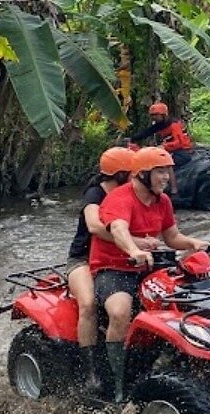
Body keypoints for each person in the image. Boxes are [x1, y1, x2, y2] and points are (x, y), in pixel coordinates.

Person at [88, 145, 210, 402]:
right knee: (120, 311)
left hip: (147, 267)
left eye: (168, 172)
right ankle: (116, 381)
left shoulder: (162, 201)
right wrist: (133, 249)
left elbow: (172, 236)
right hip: (113, 267)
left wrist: (194, 244)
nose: (166, 177)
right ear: (142, 175)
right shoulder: (120, 198)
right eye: (160, 172)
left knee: (186, 299)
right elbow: (119, 229)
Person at [65, 146, 162, 395]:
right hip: (83, 260)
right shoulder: (95, 194)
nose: (134, 177)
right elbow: (96, 227)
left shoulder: (131, 194)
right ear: (119, 173)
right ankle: (92, 371)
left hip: (119, 257)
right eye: (130, 172)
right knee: (88, 304)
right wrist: (138, 243)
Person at [129, 102, 194, 195]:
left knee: (167, 163)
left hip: (183, 151)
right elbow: (147, 132)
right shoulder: (160, 124)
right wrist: (132, 139)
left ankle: (174, 189)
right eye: (152, 115)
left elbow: (179, 143)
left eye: (156, 115)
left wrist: (164, 146)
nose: (154, 117)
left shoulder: (174, 125)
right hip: (171, 149)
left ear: (163, 115)